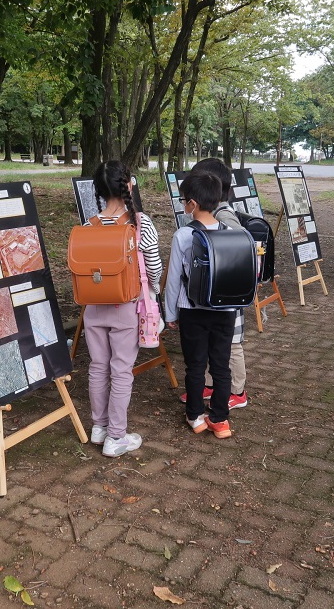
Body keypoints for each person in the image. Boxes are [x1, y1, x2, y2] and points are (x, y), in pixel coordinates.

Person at [84, 160, 162, 457]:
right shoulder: (141, 223)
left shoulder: (89, 224)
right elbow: (153, 268)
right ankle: (116, 437)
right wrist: (153, 292)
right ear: (128, 184)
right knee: (121, 370)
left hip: (93, 307)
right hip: (127, 306)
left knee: (98, 367)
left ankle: (99, 427)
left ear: (99, 191)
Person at [163, 172, 236, 439]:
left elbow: (173, 280)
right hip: (225, 311)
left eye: (184, 201)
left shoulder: (183, 235)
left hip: (192, 310)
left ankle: (195, 416)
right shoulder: (231, 232)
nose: (184, 205)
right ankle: (220, 419)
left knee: (195, 365)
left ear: (192, 203)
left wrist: (170, 313)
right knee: (221, 365)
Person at [176, 158, 250, 410]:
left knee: (231, 347)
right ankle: (209, 389)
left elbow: (239, 252)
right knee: (215, 353)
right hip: (213, 298)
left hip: (225, 298)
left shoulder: (225, 218)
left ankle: (237, 391)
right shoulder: (210, 217)